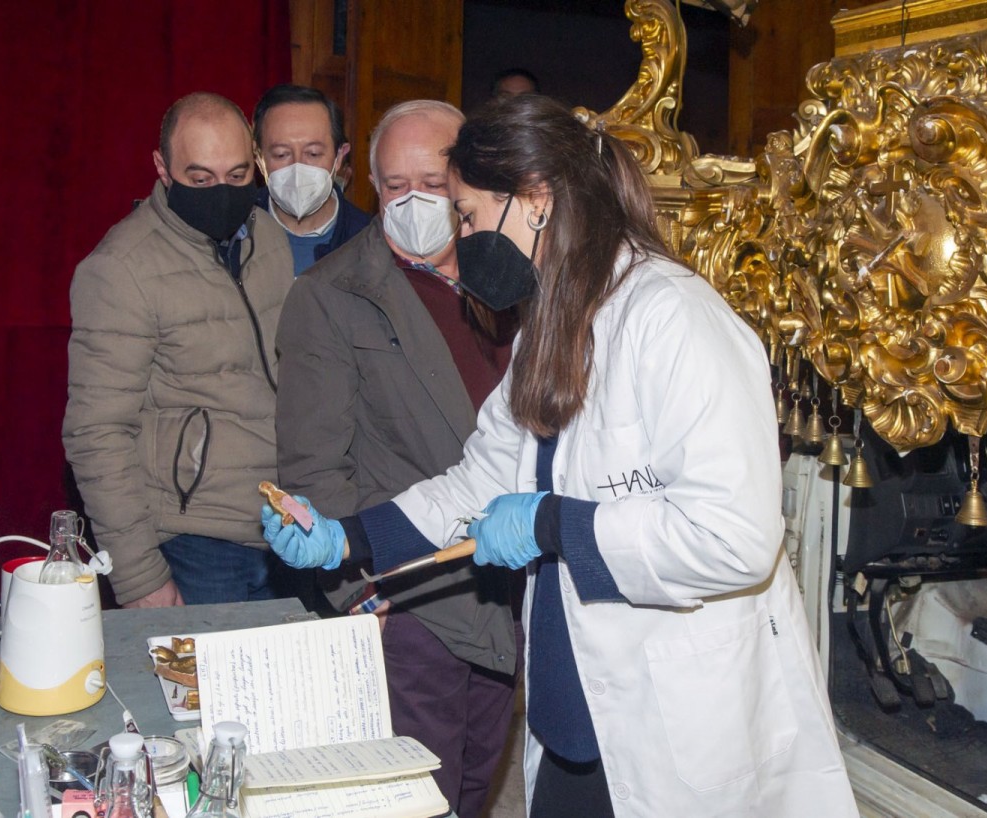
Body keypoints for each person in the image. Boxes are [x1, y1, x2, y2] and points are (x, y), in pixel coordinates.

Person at [263, 94, 857, 816]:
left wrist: (556, 526)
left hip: (670, 715)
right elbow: (480, 477)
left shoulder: (675, 317)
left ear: (536, 201)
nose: (463, 233)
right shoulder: (551, 317)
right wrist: (348, 539)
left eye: (471, 214)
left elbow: (737, 536)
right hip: (575, 700)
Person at [273, 99, 519, 818]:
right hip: (410, 600)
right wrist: (356, 595)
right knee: (418, 798)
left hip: (505, 583)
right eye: (393, 186)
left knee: (477, 783)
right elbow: (313, 466)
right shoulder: (332, 295)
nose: (412, 203)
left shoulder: (505, 280)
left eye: (433, 184)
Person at [64, 92, 293, 608]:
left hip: (286, 531)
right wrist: (140, 575)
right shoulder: (122, 268)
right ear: (162, 169)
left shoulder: (269, 240)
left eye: (238, 176)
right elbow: (96, 432)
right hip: (194, 540)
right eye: (201, 178)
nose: (222, 192)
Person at [252, 84, 371, 275]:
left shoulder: (368, 240)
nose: (298, 167)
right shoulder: (236, 235)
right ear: (259, 158)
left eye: (313, 154)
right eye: (282, 154)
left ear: (339, 156)